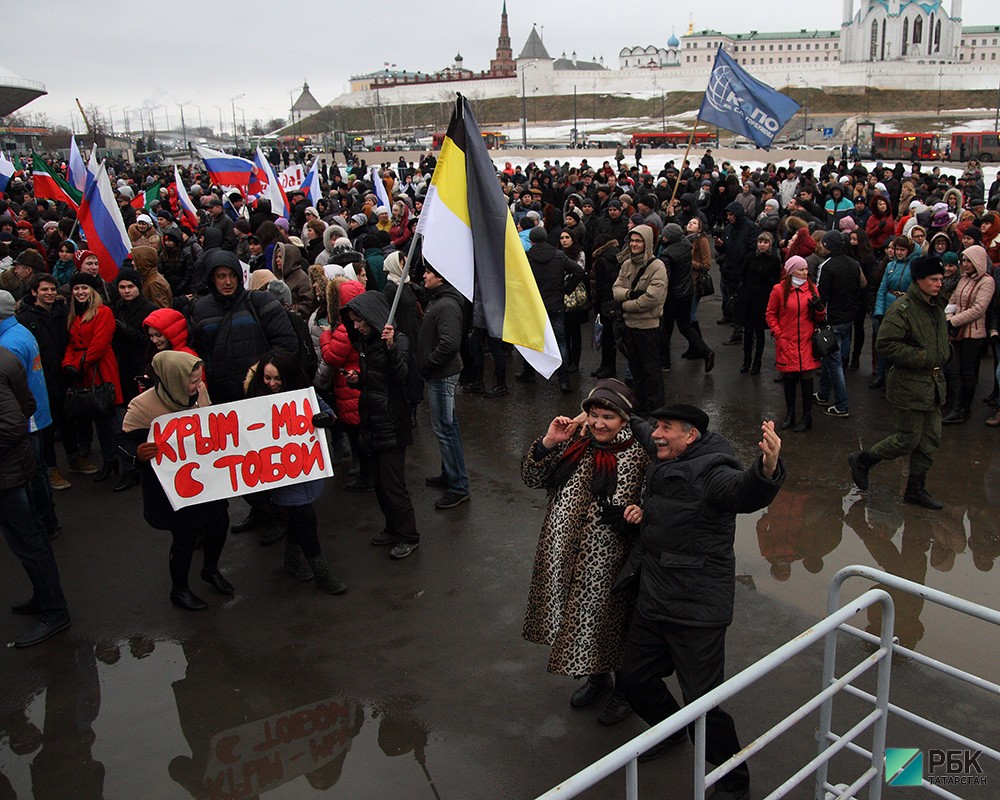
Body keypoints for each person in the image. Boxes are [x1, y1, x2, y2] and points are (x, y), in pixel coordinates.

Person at [614, 405, 784, 798]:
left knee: (703, 706)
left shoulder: (711, 471)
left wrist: (767, 470)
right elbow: (641, 428)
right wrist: (616, 409)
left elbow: (742, 492)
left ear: (690, 437)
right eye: (657, 426)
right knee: (633, 679)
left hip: (696, 608)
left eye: (666, 428)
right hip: (655, 597)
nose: (657, 434)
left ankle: (733, 781)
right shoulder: (667, 447)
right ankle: (669, 731)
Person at [522, 379, 649, 726]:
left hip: (612, 562)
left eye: (608, 417)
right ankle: (597, 678)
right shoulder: (575, 443)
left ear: (625, 419)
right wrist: (548, 442)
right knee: (580, 620)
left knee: (613, 624)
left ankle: (623, 692)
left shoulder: (640, 453)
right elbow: (532, 477)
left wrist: (637, 514)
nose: (598, 424)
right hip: (564, 553)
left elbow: (655, 501)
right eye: (593, 415)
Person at [117, 351, 232, 610]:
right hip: (172, 487)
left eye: (198, 379)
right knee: (185, 536)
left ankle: (210, 569)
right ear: (173, 379)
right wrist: (137, 453)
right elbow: (122, 441)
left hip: (206, 477)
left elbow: (212, 420)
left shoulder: (200, 390)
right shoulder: (142, 406)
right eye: (191, 381)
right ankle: (179, 590)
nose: (197, 384)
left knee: (219, 521)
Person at [848, 256, 951, 509]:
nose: (939, 284)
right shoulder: (904, 309)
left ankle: (916, 488)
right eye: (934, 280)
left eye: (941, 279)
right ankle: (863, 460)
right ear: (919, 281)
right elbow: (885, 343)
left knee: (930, 439)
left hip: (933, 385)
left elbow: (939, 338)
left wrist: (944, 351)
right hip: (909, 385)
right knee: (908, 438)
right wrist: (922, 357)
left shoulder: (936, 305)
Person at [244, 351, 347, 594]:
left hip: (306, 470)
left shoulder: (303, 396)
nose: (271, 384)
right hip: (281, 474)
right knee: (306, 519)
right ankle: (322, 573)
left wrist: (324, 419)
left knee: (298, 519)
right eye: (267, 378)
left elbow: (329, 415)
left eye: (277, 378)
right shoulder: (255, 401)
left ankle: (291, 561)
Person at [0, 345, 71, 647]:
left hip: (7, 474)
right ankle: (45, 598)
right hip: (16, 466)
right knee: (33, 537)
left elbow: (11, 424)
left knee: (27, 541)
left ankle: (55, 611)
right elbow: (27, 405)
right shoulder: (6, 356)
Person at [342, 291, 419, 559]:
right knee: (379, 482)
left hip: (392, 425)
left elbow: (400, 376)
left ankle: (408, 534)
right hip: (372, 423)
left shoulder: (397, 340)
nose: (356, 326)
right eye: (352, 321)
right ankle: (391, 527)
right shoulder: (366, 344)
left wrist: (391, 349)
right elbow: (377, 380)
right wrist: (358, 379)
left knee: (393, 485)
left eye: (359, 321)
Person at [187, 250, 297, 404]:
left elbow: (286, 343)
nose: (228, 282)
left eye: (232, 275)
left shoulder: (260, 301)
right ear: (212, 278)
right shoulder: (201, 309)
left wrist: (263, 373)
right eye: (221, 276)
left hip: (261, 392)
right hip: (221, 397)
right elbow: (199, 351)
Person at [61, 272, 123, 483]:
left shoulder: (103, 312)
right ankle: (108, 460)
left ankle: (119, 460)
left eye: (84, 288)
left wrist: (78, 364)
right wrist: (67, 363)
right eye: (77, 289)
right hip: (84, 371)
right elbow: (71, 343)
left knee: (110, 419)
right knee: (98, 419)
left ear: (93, 291)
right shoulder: (75, 314)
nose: (80, 292)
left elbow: (99, 345)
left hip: (101, 369)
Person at [418, 265, 471, 510]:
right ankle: (449, 474)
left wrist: (428, 365)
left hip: (442, 374)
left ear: (440, 277)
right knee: (447, 427)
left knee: (445, 429)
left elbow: (450, 344)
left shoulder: (447, 304)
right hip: (439, 373)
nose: (424, 276)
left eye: (428, 272)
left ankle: (459, 486)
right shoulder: (440, 299)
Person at [766, 256, 826, 432]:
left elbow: (820, 318)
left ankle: (807, 416)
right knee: (789, 379)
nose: (805, 272)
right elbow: (770, 314)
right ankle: (790, 414)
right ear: (791, 270)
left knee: (807, 379)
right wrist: (779, 333)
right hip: (788, 341)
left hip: (807, 342)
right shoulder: (779, 290)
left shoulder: (812, 288)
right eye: (801, 269)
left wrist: (819, 309)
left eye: (806, 269)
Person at [612, 226, 668, 413]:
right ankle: (641, 406)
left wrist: (625, 305)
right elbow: (616, 289)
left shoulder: (657, 266)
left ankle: (656, 409)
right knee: (636, 370)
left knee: (651, 371)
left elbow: (652, 299)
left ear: (647, 243)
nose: (634, 244)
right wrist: (630, 294)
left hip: (648, 327)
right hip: (629, 326)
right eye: (632, 241)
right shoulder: (627, 264)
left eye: (639, 241)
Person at [942, 245, 995, 424]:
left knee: (967, 373)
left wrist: (953, 321)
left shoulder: (987, 281)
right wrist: (948, 316)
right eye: (963, 260)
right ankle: (955, 408)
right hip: (957, 332)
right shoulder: (963, 279)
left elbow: (979, 309)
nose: (964, 264)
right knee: (953, 370)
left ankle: (965, 409)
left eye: (968, 261)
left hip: (973, 335)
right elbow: (953, 300)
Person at [736, 232, 782, 375]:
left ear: (770, 244)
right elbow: (743, 275)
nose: (762, 245)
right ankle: (746, 360)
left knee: (759, 331)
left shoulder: (774, 260)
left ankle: (757, 361)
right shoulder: (750, 257)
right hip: (749, 297)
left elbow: (776, 280)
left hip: (764, 298)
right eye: (760, 242)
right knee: (748, 332)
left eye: (765, 242)